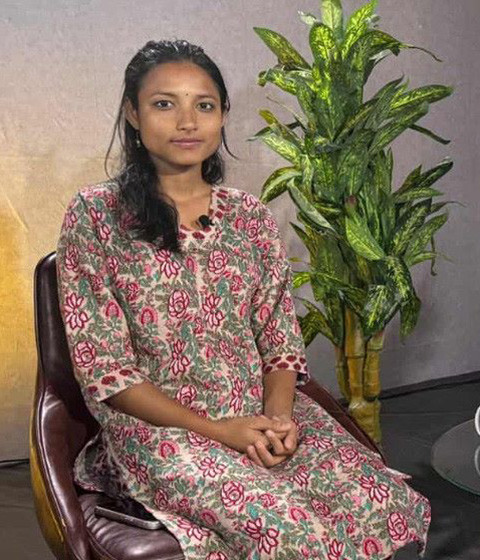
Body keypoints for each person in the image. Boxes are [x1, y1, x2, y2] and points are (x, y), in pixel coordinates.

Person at [56, 39, 430, 559]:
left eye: (204, 105)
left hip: (258, 415)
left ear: (223, 116)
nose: (188, 121)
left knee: (381, 501)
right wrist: (219, 431)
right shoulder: (96, 216)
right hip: (162, 434)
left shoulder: (249, 217)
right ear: (133, 114)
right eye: (164, 104)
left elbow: (280, 343)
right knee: (289, 530)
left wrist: (278, 421)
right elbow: (106, 370)